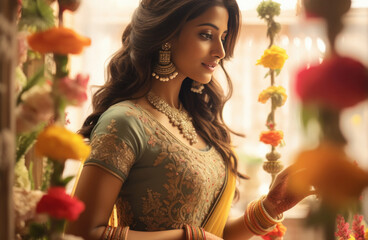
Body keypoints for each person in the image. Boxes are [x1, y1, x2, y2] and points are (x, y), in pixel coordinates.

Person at [67, 0, 313, 239]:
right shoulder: (125, 122)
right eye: (207, 34)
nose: (221, 51)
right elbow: (81, 232)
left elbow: (215, 233)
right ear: (167, 36)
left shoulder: (200, 123)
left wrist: (271, 207)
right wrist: (189, 238)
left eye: (223, 37)